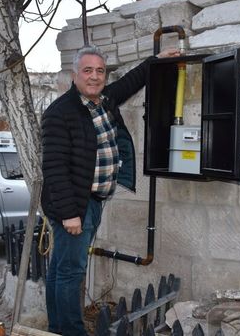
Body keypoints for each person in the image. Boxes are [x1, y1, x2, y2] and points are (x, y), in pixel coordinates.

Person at [41, 44, 180, 335]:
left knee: (60, 269)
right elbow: (54, 169)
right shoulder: (60, 113)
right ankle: (70, 331)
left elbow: (130, 81)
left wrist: (154, 61)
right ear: (74, 74)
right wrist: (70, 214)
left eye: (100, 71)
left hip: (92, 201)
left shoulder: (104, 100)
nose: (94, 77)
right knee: (71, 272)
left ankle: (56, 328)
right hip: (74, 206)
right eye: (88, 70)